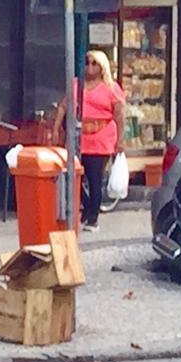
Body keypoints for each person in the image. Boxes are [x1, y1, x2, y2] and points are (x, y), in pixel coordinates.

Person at [59, 50, 125, 233]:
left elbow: (119, 116)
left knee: (95, 179)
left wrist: (120, 140)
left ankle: (93, 218)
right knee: (76, 176)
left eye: (94, 63)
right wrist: (57, 127)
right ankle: (87, 207)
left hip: (102, 138)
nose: (90, 67)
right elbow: (64, 106)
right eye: (87, 62)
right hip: (80, 138)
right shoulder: (76, 85)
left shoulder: (111, 88)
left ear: (102, 67)